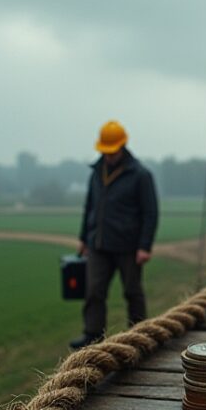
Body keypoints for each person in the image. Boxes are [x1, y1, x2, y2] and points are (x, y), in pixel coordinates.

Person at [70, 120, 159, 349]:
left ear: (122, 147)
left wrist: (144, 246)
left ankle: (139, 335)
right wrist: (84, 237)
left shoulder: (140, 174)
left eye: (112, 152)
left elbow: (150, 212)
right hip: (98, 244)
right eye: (105, 152)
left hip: (129, 246)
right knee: (93, 292)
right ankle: (92, 335)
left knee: (132, 292)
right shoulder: (96, 172)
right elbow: (90, 205)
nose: (108, 156)